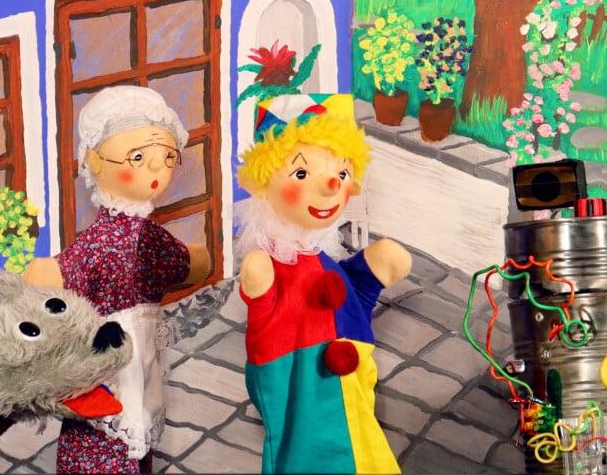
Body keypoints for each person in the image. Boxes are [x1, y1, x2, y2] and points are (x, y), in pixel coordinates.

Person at [22, 85, 211, 474]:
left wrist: (196, 259)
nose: (156, 168)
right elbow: (62, 274)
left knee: (135, 432)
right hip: (107, 357)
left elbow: (185, 264)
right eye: (138, 157)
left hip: (140, 359)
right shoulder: (102, 240)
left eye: (166, 157)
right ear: (94, 161)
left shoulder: (149, 236)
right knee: (104, 428)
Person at [237, 93, 411, 474]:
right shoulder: (272, 266)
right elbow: (265, 347)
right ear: (264, 184)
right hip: (307, 409)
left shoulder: (323, 258)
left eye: (342, 174)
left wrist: (368, 274)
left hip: (356, 409)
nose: (333, 185)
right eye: (301, 174)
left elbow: (348, 296)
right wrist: (262, 296)